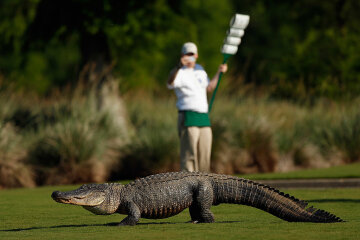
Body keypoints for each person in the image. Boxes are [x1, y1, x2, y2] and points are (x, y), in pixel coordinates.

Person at [167, 42, 228, 172]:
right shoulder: (179, 72)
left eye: (192, 54)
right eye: (187, 54)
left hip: (203, 116)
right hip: (188, 115)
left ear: (196, 55)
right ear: (182, 55)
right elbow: (170, 83)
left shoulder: (200, 70)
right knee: (189, 156)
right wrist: (179, 66)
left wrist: (219, 72)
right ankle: (188, 187)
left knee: (205, 155)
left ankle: (203, 186)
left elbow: (209, 87)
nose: (190, 57)